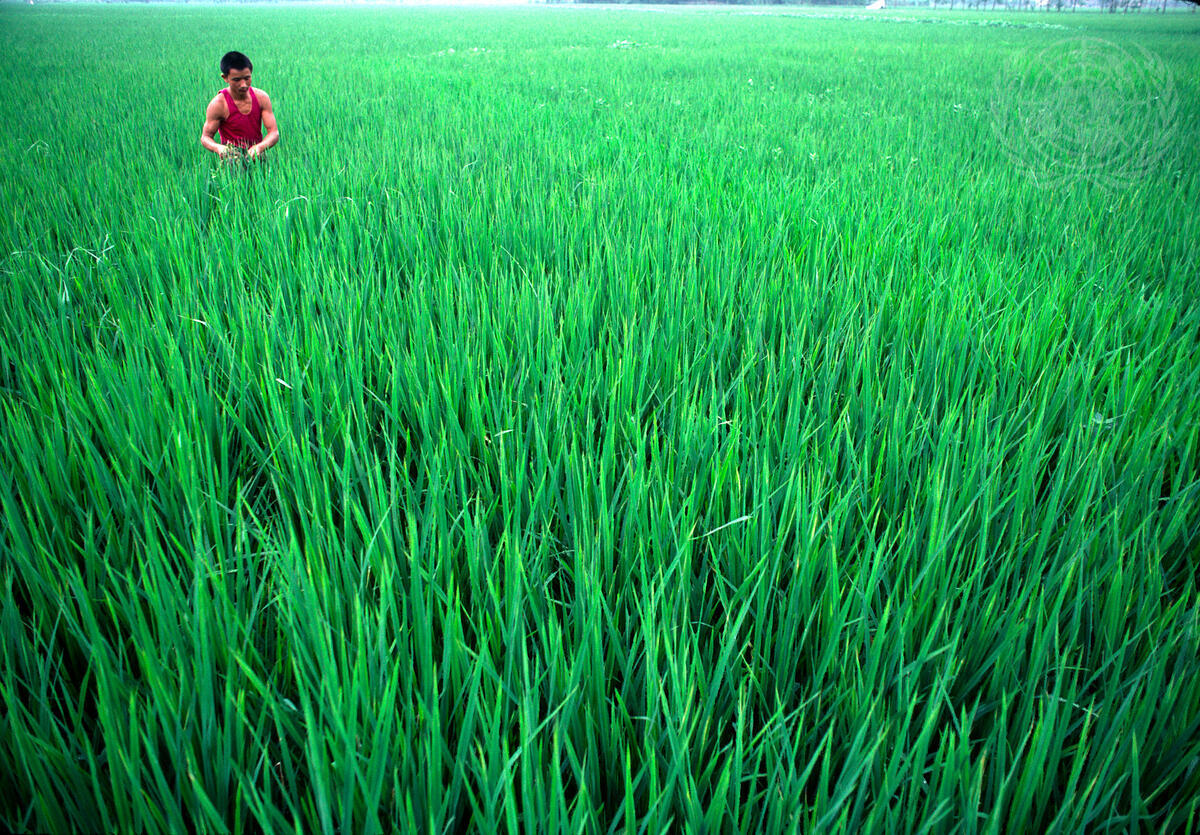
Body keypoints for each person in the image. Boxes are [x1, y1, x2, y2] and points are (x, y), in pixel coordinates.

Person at [200, 51, 279, 159]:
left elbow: (274, 133)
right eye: (236, 80)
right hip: (232, 157)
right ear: (225, 78)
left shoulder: (261, 97)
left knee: (263, 172)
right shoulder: (218, 104)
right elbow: (206, 137)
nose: (243, 84)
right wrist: (219, 148)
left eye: (247, 78)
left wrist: (260, 147)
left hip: (257, 153)